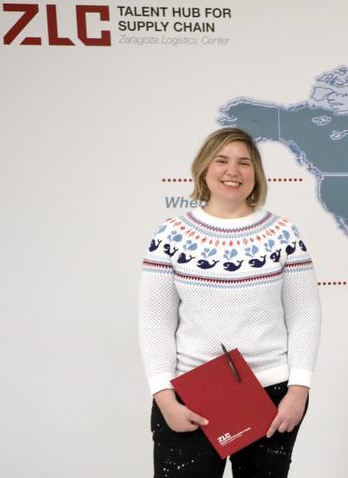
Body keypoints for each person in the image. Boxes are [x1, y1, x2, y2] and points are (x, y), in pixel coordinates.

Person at [138, 127, 321, 477]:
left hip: (273, 398)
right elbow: (154, 321)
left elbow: (305, 315)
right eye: (221, 160)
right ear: (204, 169)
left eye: (244, 163)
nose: (232, 171)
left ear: (257, 174)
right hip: (189, 397)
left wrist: (298, 390)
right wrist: (164, 397)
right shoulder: (170, 235)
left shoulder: (283, 234)